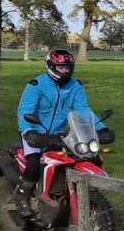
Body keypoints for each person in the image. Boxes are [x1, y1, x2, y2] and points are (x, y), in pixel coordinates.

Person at [15, 49, 108, 204]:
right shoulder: (36, 85)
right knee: (33, 163)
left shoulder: (75, 86)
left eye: (68, 68)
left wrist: (100, 128)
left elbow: (83, 110)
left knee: (81, 157)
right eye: (61, 67)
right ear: (50, 66)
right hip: (34, 133)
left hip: (58, 135)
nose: (65, 71)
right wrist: (28, 131)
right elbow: (25, 110)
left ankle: (67, 193)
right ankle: (22, 198)